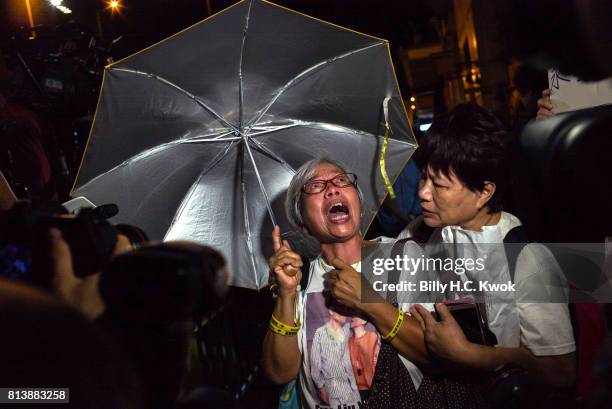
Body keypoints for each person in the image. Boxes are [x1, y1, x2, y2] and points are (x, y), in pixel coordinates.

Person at [402, 103, 576, 391]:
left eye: (439, 185)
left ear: (484, 192)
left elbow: (561, 373)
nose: (422, 193)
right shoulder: (424, 233)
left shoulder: (526, 255)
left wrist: (470, 355)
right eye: (423, 177)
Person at [262, 158, 430, 409]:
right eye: (315, 186)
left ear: (360, 207)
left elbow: (434, 356)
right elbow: (279, 373)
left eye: (341, 180)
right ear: (303, 225)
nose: (332, 188)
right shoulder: (300, 278)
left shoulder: (402, 256)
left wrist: (368, 300)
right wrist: (287, 294)